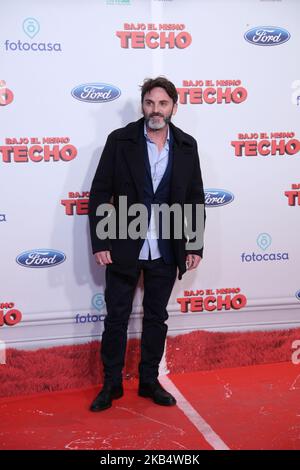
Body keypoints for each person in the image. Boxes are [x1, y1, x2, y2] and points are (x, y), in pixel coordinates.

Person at [88, 76, 205, 411]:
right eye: (150, 103)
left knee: (156, 317)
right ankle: (111, 384)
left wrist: (194, 244)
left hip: (166, 246)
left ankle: (149, 381)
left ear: (174, 107)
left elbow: (195, 198)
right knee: (116, 318)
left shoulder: (186, 145)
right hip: (124, 242)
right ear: (143, 105)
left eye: (163, 103)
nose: (156, 110)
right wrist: (101, 239)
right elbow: (100, 193)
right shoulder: (120, 140)